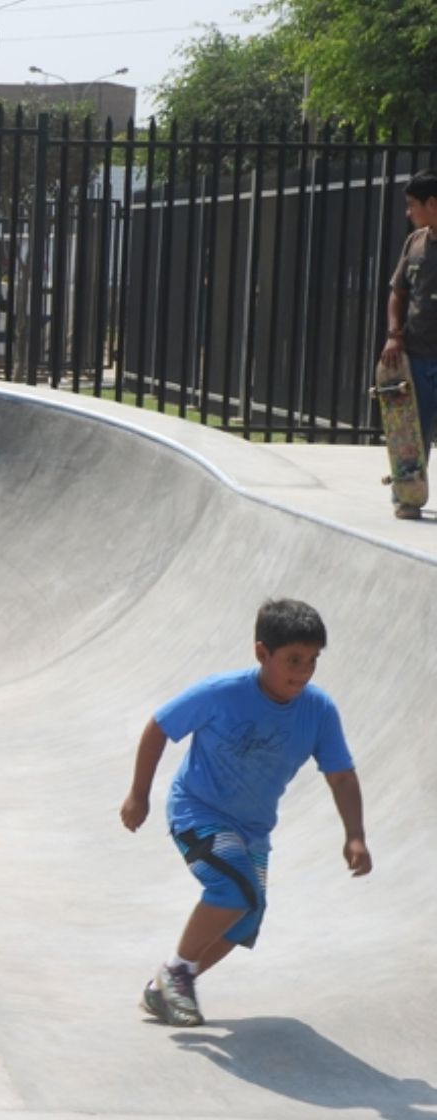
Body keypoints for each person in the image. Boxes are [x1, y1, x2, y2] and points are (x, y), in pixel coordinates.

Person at [119, 599, 369, 1027]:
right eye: (292, 660)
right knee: (233, 891)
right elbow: (159, 727)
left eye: (312, 661)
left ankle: (171, 985)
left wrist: (355, 835)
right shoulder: (222, 692)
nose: (303, 672)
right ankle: (176, 971)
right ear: (261, 653)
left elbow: (342, 776)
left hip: (253, 829)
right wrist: (138, 794)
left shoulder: (319, 710)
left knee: (247, 916)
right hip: (198, 812)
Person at [382, 167, 437, 520]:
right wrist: (393, 334)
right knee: (410, 430)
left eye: (412, 205)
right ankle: (407, 496)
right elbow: (397, 294)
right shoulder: (414, 243)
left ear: (432, 203)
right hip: (417, 353)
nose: (408, 212)